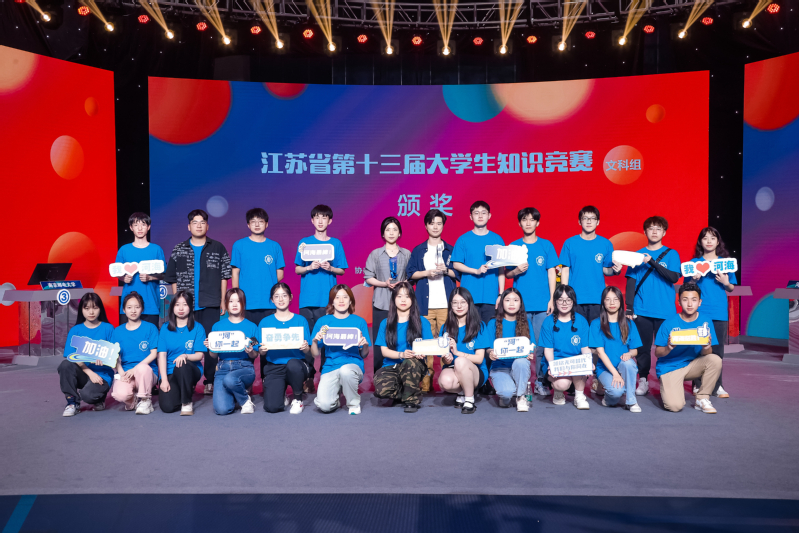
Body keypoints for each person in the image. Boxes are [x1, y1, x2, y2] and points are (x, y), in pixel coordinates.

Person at [164, 209, 231, 395]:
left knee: (210, 342)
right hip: (187, 306)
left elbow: (225, 276)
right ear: (189, 226)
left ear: (207, 226)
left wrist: (222, 301)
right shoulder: (179, 249)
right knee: (187, 342)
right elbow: (172, 277)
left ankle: (210, 380)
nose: (199, 225)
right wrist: (178, 303)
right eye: (195, 222)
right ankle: (189, 378)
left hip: (211, 302)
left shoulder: (218, 247)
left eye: (202, 222)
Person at [451, 200, 505, 394]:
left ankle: (486, 378)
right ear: (470, 216)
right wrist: (475, 270)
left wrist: (501, 293)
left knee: (489, 338)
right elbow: (456, 264)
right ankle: (468, 375)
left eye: (484, 212)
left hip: (490, 297)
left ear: (489, 216)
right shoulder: (463, 239)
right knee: (469, 336)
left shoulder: (497, 239)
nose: (480, 216)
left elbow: (501, 269)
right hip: (468, 299)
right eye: (476, 212)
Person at [624, 216, 681, 397]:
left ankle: (668, 379)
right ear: (645, 232)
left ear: (664, 232)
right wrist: (629, 307)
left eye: (658, 228)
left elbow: (674, 277)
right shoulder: (637, 255)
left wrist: (652, 262)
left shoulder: (672, 254)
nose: (654, 231)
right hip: (642, 310)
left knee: (667, 346)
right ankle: (643, 379)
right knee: (643, 348)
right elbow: (631, 282)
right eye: (651, 228)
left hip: (665, 310)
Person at [505, 207, 558, 397]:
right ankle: (518, 381)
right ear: (519, 223)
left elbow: (551, 272)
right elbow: (507, 274)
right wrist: (516, 271)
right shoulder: (513, 247)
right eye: (524, 219)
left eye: (531, 219)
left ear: (538, 222)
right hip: (520, 307)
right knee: (519, 345)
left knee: (541, 346)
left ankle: (540, 381)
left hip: (543, 305)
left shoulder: (546, 245)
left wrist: (552, 298)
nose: (528, 223)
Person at [295, 205, 348, 392]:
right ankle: (308, 377)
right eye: (317, 217)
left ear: (329, 221)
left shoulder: (335, 244)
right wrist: (309, 267)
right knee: (308, 341)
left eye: (324, 217)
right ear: (312, 220)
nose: (320, 221)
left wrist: (330, 268)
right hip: (307, 301)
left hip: (327, 301)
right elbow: (297, 269)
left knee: (328, 341)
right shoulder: (304, 243)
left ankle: (327, 376)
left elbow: (342, 270)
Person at [407, 208, 459, 393]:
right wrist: (426, 273)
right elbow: (410, 274)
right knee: (426, 345)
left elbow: (458, 273)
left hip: (446, 305)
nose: (435, 227)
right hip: (425, 305)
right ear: (426, 226)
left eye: (439, 223)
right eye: (432, 223)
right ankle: (426, 384)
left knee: (446, 344)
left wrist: (446, 270)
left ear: (443, 226)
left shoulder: (451, 249)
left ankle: (448, 382)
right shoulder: (418, 250)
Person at [231, 207, 285, 380]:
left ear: (266, 224)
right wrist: (237, 299)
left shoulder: (274, 246)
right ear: (248, 225)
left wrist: (266, 283)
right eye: (253, 222)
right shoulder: (239, 245)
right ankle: (244, 381)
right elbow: (235, 273)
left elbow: (279, 273)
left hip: (268, 304)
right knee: (247, 343)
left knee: (267, 345)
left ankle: (268, 380)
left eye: (260, 221)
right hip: (247, 304)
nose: (256, 224)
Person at [654, 283, 722, 413]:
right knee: (675, 406)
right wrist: (668, 348)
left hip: (692, 365)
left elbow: (708, 353)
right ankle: (670, 386)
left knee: (715, 359)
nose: (690, 304)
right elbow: (657, 353)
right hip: (670, 367)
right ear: (679, 302)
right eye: (685, 300)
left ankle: (702, 398)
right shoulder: (669, 323)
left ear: (700, 302)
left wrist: (706, 347)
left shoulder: (706, 321)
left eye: (694, 300)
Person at [687, 227, 736, 398]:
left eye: (712, 238)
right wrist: (694, 279)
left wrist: (726, 282)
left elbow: (731, 288)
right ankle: (697, 384)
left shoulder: (726, 263)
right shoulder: (693, 263)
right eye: (705, 238)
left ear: (717, 242)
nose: (709, 241)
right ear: (700, 242)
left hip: (719, 311)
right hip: (698, 311)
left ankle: (717, 385)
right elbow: (687, 287)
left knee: (717, 349)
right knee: (698, 347)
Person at [310, 285, 371, 415]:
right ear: (332, 301)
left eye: (345, 297)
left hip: (352, 366)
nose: (341, 301)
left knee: (346, 371)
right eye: (337, 297)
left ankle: (353, 403)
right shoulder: (323, 322)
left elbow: (364, 354)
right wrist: (315, 340)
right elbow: (315, 353)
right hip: (331, 366)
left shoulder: (359, 322)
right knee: (325, 405)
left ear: (350, 301)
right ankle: (336, 399)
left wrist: (364, 344)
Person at [373, 282, 433, 413]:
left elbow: (428, 346)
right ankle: (406, 391)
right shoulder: (385, 323)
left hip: (413, 365)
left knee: (409, 362)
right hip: (391, 365)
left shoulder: (422, 321)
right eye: (399, 296)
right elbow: (384, 351)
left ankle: (411, 400)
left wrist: (420, 353)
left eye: (407, 296)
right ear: (394, 299)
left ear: (412, 299)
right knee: (382, 391)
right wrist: (401, 354)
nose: (403, 300)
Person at [559, 206, 621, 324]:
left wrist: (615, 270)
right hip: (575, 297)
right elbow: (565, 271)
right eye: (585, 218)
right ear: (579, 221)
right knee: (576, 332)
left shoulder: (606, 244)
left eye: (592, 218)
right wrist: (564, 294)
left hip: (597, 297)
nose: (589, 221)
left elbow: (605, 270)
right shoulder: (570, 243)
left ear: (598, 222)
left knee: (596, 332)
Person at [258, 283, 312, 414]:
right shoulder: (265, 322)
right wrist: (262, 350)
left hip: (297, 366)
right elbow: (260, 351)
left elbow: (307, 350)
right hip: (274, 367)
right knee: (272, 407)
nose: (281, 299)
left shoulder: (300, 320)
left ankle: (298, 399)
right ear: (272, 300)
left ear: (291, 297)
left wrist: (305, 347)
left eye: (284, 295)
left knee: (292, 364)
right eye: (276, 296)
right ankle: (282, 395)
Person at [365, 216, 411, 372]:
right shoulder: (376, 254)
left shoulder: (406, 254)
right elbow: (368, 277)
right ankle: (380, 375)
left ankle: (403, 373)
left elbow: (411, 277)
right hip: (381, 302)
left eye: (395, 230)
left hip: (402, 304)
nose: (391, 233)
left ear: (400, 233)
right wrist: (384, 283)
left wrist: (403, 283)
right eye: (388, 230)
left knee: (401, 339)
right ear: (383, 234)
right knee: (380, 342)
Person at [58, 293, 115, 416]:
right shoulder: (76, 330)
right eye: (87, 308)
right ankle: (72, 403)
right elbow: (71, 356)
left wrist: (105, 360)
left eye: (95, 308)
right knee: (65, 365)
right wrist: (89, 372)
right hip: (83, 372)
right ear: (81, 310)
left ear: (100, 309)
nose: (91, 312)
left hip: (102, 375)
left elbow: (115, 355)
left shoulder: (108, 328)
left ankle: (99, 398)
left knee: (88, 396)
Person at [589, 287, 643, 412]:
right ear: (603, 302)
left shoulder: (629, 324)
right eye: (608, 299)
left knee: (629, 363)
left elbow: (635, 350)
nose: (612, 303)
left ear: (620, 302)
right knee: (616, 393)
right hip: (605, 369)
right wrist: (615, 374)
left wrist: (629, 354)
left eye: (615, 299)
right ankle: (608, 397)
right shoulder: (596, 324)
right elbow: (600, 353)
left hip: (623, 366)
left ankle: (631, 401)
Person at [205, 289, 259, 415]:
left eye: (238, 301)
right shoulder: (217, 327)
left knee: (230, 379)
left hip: (244, 367)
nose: (234, 304)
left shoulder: (252, 326)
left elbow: (255, 355)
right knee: (222, 410)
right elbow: (213, 355)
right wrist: (211, 347)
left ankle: (245, 401)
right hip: (223, 367)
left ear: (243, 303)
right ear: (226, 304)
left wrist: (250, 351)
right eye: (230, 301)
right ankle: (236, 393)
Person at [437, 287, 490, 414]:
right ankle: (462, 391)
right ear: (451, 305)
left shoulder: (479, 326)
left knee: (460, 361)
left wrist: (457, 353)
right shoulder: (445, 328)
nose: (459, 306)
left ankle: (469, 399)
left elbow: (479, 359)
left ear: (469, 303)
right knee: (445, 382)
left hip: (476, 372)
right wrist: (447, 358)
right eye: (455, 303)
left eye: (463, 302)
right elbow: (444, 360)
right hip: (453, 368)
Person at [539, 285, 592, 409]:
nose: (564, 303)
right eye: (561, 300)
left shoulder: (581, 321)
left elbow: (585, 348)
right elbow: (548, 349)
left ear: (573, 301)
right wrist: (552, 366)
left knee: (582, 363)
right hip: (556, 361)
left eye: (568, 300)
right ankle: (558, 391)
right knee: (562, 384)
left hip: (575, 361)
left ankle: (579, 396)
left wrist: (588, 362)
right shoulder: (548, 321)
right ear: (555, 301)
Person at [156, 291, 207, 415]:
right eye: (177, 304)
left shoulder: (198, 328)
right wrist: (164, 380)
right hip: (170, 371)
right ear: (172, 307)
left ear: (190, 307)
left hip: (190, 369)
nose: (181, 308)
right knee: (167, 407)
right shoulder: (165, 328)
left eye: (185, 304)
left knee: (182, 364)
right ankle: (183, 390)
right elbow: (162, 355)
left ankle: (186, 402)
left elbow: (199, 355)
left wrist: (185, 356)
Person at [484, 288, 534, 412]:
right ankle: (508, 393)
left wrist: (530, 353)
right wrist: (491, 353)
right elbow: (488, 348)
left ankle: (520, 396)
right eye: (507, 300)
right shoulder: (493, 323)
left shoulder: (526, 322)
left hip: (518, 366)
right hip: (499, 367)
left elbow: (531, 346)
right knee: (506, 394)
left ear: (520, 303)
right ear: (502, 303)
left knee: (521, 362)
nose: (511, 304)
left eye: (515, 300)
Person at [112, 212, 166, 327]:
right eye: (136, 225)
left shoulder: (156, 249)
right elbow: (117, 272)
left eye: (143, 224)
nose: (140, 228)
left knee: (151, 336)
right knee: (127, 337)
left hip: (151, 304)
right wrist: (123, 278)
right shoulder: (124, 250)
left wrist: (150, 277)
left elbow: (164, 274)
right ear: (131, 227)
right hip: (128, 306)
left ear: (148, 227)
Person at [111, 292, 159, 414]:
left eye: (137, 307)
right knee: (120, 394)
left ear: (142, 309)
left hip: (147, 372)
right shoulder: (117, 331)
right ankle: (132, 400)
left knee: (142, 368)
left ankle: (145, 400)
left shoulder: (150, 328)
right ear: (123, 310)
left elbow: (154, 354)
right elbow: (114, 357)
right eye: (129, 307)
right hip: (126, 372)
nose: (133, 311)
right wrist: (121, 372)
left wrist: (135, 369)